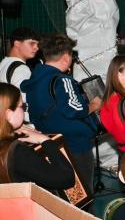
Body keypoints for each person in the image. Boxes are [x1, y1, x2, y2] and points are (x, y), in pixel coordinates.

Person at [23, 34, 102, 191]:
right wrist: (94, 105)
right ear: (66, 57)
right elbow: (74, 109)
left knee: (61, 193)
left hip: (50, 144)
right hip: (75, 145)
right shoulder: (63, 80)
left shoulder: (34, 80)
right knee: (82, 192)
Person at [0, 82, 76, 193]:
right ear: (8, 114)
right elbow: (67, 179)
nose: (24, 110)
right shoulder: (17, 152)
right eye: (22, 106)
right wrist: (44, 140)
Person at [0, 27, 39, 121]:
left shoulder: (3, 63)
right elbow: (25, 103)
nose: (36, 47)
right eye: (32, 43)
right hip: (22, 121)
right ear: (17, 43)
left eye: (37, 44)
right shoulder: (21, 69)